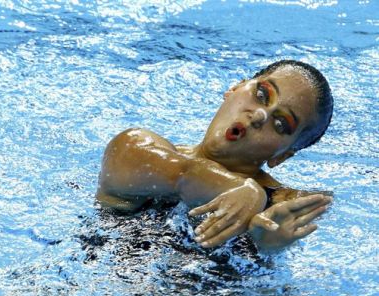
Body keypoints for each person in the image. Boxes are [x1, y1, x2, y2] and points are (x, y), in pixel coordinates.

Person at [96, 60, 334, 251]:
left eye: (280, 123)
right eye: (262, 95)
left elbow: (309, 211)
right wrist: (239, 188)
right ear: (234, 88)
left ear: (281, 157)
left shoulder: (281, 204)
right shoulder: (139, 149)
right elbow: (181, 173)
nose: (260, 115)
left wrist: (269, 243)